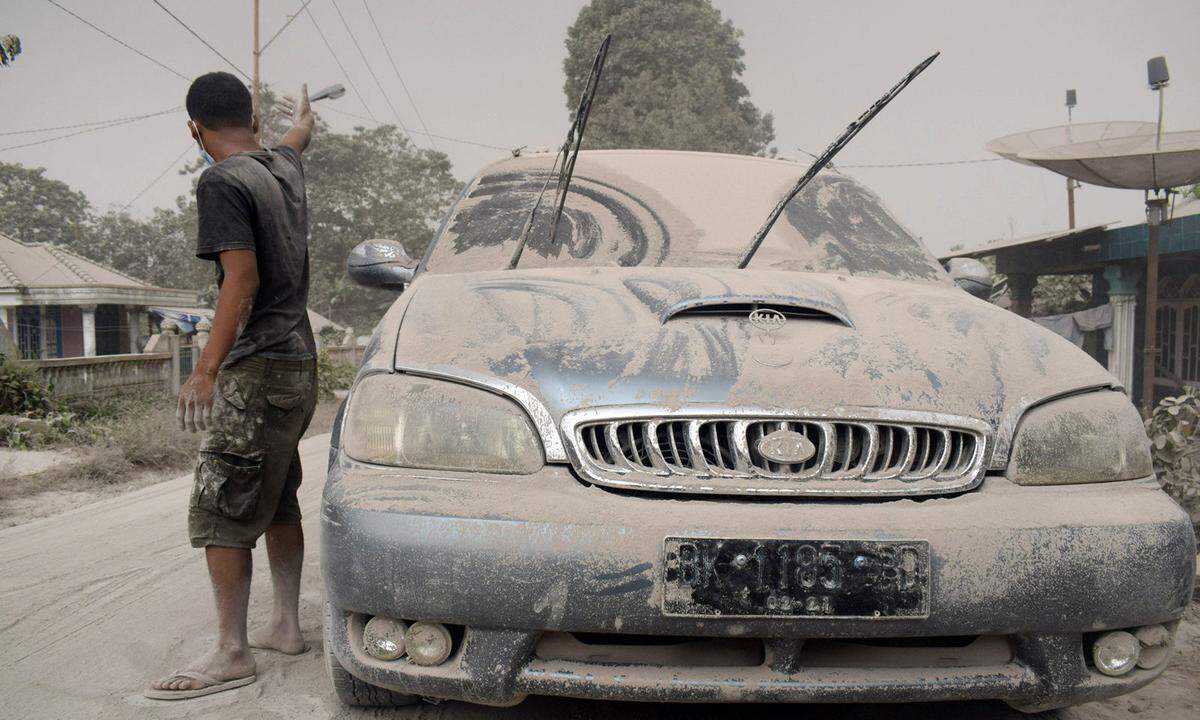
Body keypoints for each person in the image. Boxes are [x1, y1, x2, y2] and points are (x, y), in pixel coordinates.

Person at [147, 72, 318, 700]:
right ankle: (286, 627)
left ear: (194, 127)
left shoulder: (221, 180)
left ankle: (231, 651)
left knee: (222, 502)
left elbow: (239, 279)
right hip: (300, 363)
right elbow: (299, 139)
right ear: (251, 118)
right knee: (277, 494)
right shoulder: (283, 168)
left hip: (258, 364)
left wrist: (206, 369)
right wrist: (302, 119)